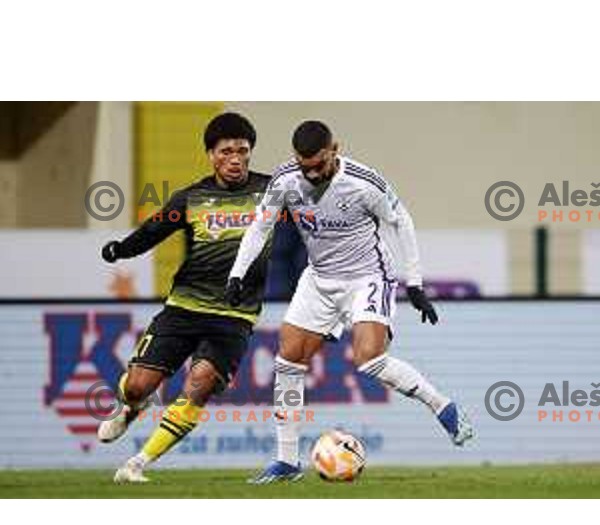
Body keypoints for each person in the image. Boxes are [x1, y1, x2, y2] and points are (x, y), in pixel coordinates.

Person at [225, 120, 475, 484]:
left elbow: (401, 221)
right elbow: (260, 226)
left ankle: (443, 407)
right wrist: (237, 273)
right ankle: (287, 461)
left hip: (367, 277)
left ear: (335, 150)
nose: (311, 174)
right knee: (288, 360)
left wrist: (415, 282)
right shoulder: (285, 180)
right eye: (304, 165)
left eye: (318, 165)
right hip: (319, 278)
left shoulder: (363, 182)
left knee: (369, 358)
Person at [98, 112, 272, 483]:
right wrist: (120, 250)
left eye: (243, 151)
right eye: (227, 151)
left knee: (199, 385)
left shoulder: (272, 192)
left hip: (234, 316)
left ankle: (137, 464)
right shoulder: (191, 197)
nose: (236, 158)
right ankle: (131, 407)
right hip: (183, 309)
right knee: (137, 386)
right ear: (211, 154)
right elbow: (152, 232)